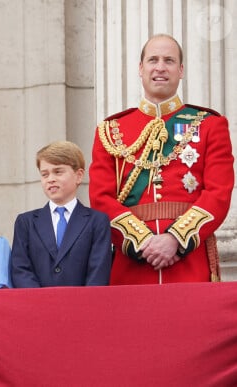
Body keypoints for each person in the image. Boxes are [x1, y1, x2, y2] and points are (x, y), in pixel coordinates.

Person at [89, 34, 234, 285]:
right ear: (140, 68)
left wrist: (175, 239)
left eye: (169, 60)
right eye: (152, 60)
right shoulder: (112, 130)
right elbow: (100, 199)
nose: (160, 67)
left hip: (188, 261)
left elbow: (218, 193)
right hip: (131, 263)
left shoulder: (210, 124)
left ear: (181, 70)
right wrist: (142, 242)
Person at [11, 141, 112, 287]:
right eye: (44, 174)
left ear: (79, 175)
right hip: (37, 306)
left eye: (58, 172)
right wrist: (41, 303)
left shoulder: (97, 221)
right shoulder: (26, 222)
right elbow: (20, 269)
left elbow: (98, 271)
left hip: (82, 306)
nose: (50, 179)